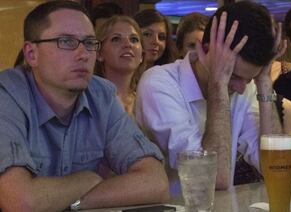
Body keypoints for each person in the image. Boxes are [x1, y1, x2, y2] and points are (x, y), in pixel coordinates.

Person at [0, 1, 168, 211]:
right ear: (31, 54)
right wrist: (88, 180)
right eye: (67, 41)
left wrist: (75, 202)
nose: (83, 54)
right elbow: (20, 202)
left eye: (89, 42)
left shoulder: (101, 96)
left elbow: (155, 181)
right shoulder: (7, 97)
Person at [136, 1, 291, 189]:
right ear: (205, 49)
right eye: (234, 76)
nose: (241, 89)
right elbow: (211, 178)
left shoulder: (245, 85)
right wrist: (218, 84)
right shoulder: (158, 83)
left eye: (250, 79)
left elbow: (275, 168)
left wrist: (264, 83)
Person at [95, 15, 144, 119]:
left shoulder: (148, 101)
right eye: (116, 39)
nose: (128, 44)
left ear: (142, 56)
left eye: (134, 39)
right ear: (99, 54)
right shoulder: (89, 99)